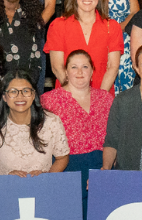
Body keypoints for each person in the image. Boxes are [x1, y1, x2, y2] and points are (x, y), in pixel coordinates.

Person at [40, 50, 114, 204]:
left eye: (85, 67)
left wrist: (106, 172)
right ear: (66, 72)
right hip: (66, 171)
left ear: (92, 72)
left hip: (102, 171)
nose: (80, 72)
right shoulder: (48, 101)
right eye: (74, 67)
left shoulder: (106, 99)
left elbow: (116, 138)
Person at [60, 0, 140, 91]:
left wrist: (115, 29)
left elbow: (135, 11)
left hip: (121, 41)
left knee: (124, 91)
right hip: (90, 40)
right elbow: (72, 9)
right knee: (92, 85)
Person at [47, 0, 124, 91]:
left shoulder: (112, 27)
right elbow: (57, 67)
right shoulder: (58, 25)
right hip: (68, 95)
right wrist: (75, 94)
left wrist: (99, 98)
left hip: (102, 94)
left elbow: (113, 67)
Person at [0, 70, 71, 176]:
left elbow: (62, 158)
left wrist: (46, 177)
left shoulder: (51, 122)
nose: (20, 96)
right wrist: (6, 180)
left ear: (33, 95)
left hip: (41, 185)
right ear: (4, 97)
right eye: (13, 91)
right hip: (5, 185)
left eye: (26, 91)